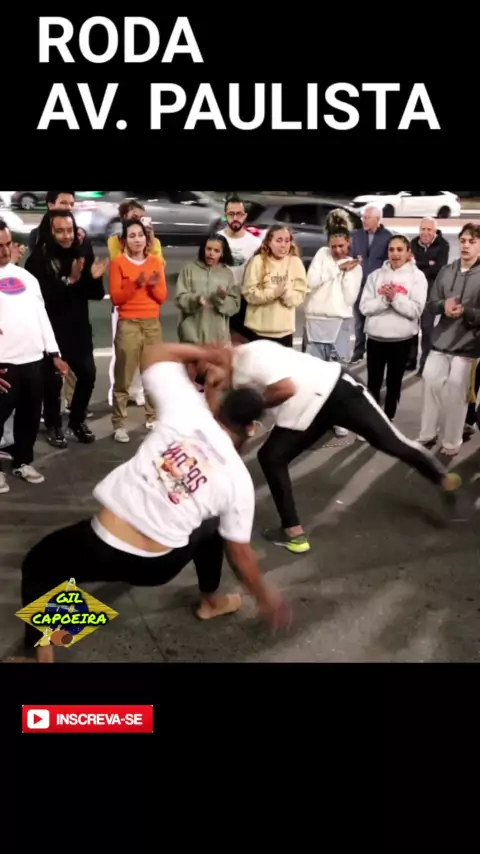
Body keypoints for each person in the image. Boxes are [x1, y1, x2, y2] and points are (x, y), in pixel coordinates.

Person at [17, 342, 289, 663]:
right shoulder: (239, 480)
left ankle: (43, 650)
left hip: (103, 544)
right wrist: (265, 597)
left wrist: (210, 355)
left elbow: (153, 353)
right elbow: (241, 554)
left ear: (219, 406)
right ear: (251, 429)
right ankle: (210, 602)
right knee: (213, 527)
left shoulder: (188, 408)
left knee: (40, 564)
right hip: (158, 566)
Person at [208, 339, 462, 554]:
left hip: (337, 390)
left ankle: (441, 478)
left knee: (390, 441)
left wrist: (257, 406)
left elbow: (286, 389)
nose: (211, 379)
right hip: (310, 409)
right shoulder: (236, 380)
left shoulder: (251, 355)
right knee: (271, 456)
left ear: (222, 354)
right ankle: (294, 533)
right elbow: (240, 420)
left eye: (210, 373)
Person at [25, 210, 107, 447]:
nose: (67, 236)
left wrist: (94, 278)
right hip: (51, 333)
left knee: (88, 375)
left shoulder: (81, 253)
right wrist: (69, 280)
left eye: (70, 230)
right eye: (60, 231)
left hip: (78, 329)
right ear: (49, 232)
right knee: (53, 385)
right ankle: (53, 425)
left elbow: (95, 294)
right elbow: (43, 301)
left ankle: (77, 421)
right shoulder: (37, 261)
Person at [0, 219, 68, 493]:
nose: (5, 251)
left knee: (28, 417)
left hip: (33, 362)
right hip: (4, 366)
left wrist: (54, 353)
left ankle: (22, 461)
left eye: (7, 244)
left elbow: (42, 317)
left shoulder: (26, 278)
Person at [418, 222, 480, 457]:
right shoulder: (446, 271)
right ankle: (427, 434)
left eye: (472, 241)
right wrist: (443, 306)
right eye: (463, 241)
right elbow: (431, 304)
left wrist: (467, 312)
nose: (466, 245)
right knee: (430, 380)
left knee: (457, 391)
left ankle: (452, 441)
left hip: (468, 346)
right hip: (441, 341)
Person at [303, 211, 362, 438]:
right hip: (315, 320)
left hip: (339, 323)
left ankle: (339, 418)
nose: (337, 250)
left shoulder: (356, 267)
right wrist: (337, 269)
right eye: (333, 246)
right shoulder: (321, 255)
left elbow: (349, 298)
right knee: (313, 375)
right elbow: (311, 282)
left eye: (341, 246)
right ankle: (314, 417)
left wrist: (347, 272)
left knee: (338, 375)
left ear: (349, 243)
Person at [109, 219, 168, 443]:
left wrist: (151, 285)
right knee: (124, 377)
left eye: (140, 235)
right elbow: (116, 298)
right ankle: (119, 424)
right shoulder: (118, 263)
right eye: (132, 236)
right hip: (129, 324)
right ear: (124, 240)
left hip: (152, 324)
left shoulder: (155, 261)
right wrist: (135, 283)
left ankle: (153, 418)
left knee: (152, 375)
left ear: (146, 238)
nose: (137, 240)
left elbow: (162, 297)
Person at [360, 235, 428, 422]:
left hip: (401, 341)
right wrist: (385, 300)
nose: (395, 254)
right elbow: (364, 307)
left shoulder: (417, 277)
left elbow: (415, 310)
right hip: (375, 339)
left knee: (393, 382)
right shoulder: (375, 276)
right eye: (391, 250)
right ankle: (371, 419)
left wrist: (395, 299)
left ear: (408, 253)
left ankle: (388, 418)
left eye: (399, 250)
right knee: (373, 383)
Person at [242, 225, 308, 347]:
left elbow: (300, 295)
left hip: (285, 332)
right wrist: (273, 293)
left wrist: (286, 295)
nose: (283, 245)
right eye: (279, 240)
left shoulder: (295, 263)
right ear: (269, 242)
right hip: (259, 331)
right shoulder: (257, 261)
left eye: (287, 241)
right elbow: (249, 293)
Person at [175, 233, 240, 347]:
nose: (211, 253)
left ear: (222, 253)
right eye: (208, 249)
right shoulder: (189, 269)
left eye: (216, 251)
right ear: (203, 249)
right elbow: (179, 298)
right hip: (191, 337)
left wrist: (221, 299)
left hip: (218, 340)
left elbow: (234, 306)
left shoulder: (227, 274)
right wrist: (196, 299)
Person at [350, 205, 392, 363]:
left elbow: (388, 262)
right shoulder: (357, 236)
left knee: (376, 320)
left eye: (368, 217)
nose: (364, 220)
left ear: (378, 219)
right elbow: (352, 257)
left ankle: (377, 353)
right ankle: (359, 351)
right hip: (359, 284)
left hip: (377, 287)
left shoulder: (387, 237)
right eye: (364, 217)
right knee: (359, 322)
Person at [218, 195, 262, 344]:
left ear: (245, 216)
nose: (235, 218)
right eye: (231, 214)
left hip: (245, 303)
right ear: (225, 216)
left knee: (244, 345)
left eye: (239, 214)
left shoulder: (256, 243)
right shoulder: (215, 240)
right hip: (220, 301)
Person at [409, 218, 450, 374]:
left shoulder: (443, 245)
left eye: (429, 229)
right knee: (412, 327)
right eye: (423, 229)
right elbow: (409, 265)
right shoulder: (413, 243)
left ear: (435, 231)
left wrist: (419, 265)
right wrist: (428, 263)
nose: (425, 232)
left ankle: (424, 364)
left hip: (431, 293)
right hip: (413, 291)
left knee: (426, 328)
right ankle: (410, 360)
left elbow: (439, 268)